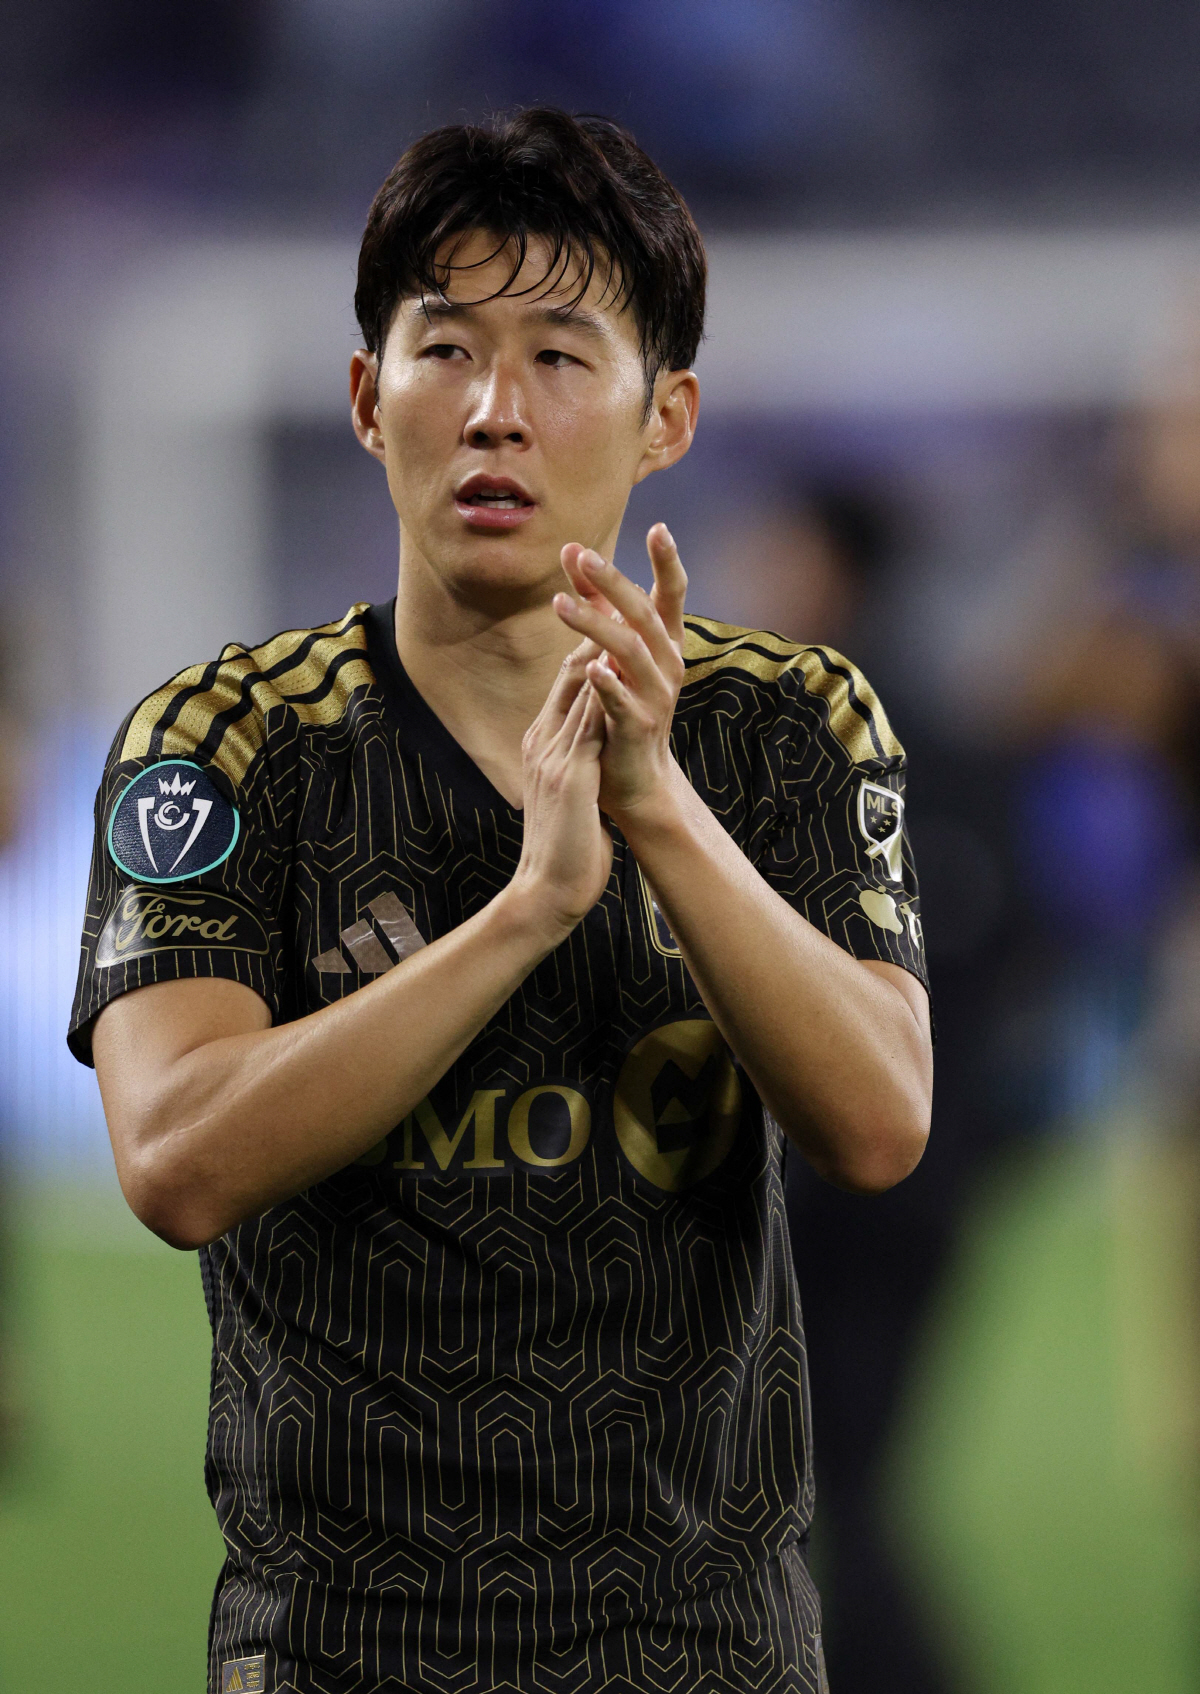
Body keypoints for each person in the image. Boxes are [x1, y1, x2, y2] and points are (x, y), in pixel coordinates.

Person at [68, 110, 932, 1694]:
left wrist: (656, 807)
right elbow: (177, 1157)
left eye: (558, 356)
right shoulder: (226, 745)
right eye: (447, 348)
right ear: (365, 397)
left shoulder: (787, 725)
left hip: (702, 1653)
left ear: (667, 415)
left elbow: (880, 1120)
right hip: (338, 1653)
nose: (493, 410)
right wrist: (526, 912)